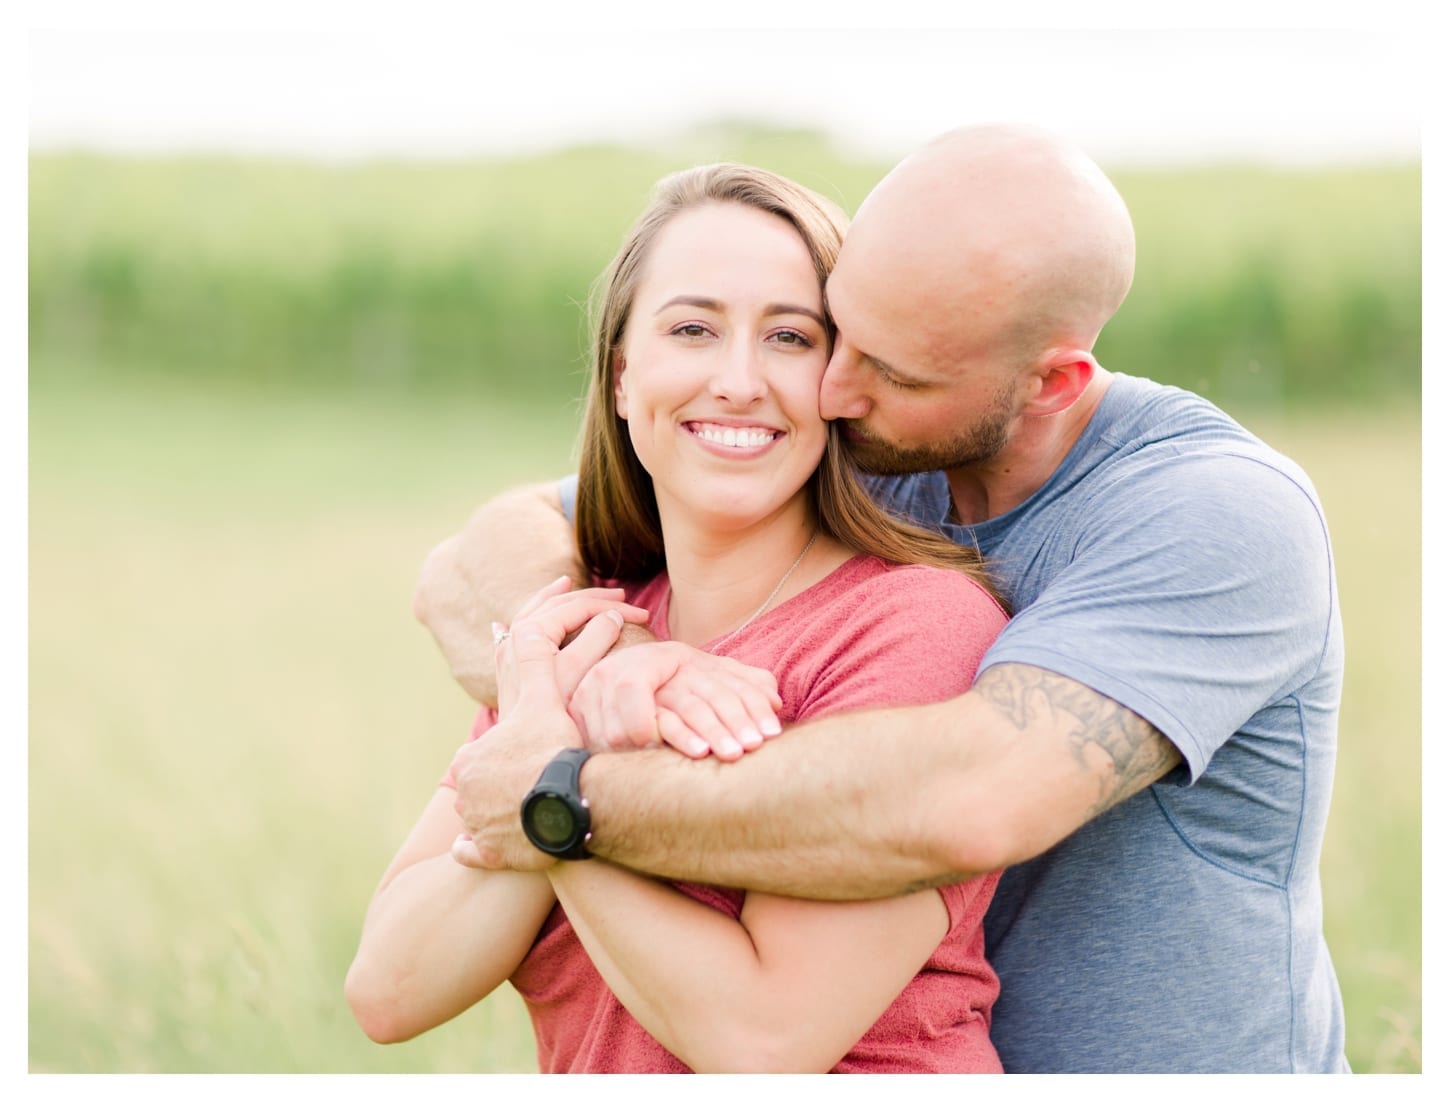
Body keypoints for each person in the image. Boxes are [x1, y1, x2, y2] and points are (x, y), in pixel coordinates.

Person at [419, 125, 1350, 1074]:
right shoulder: (873, 455)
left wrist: (565, 792)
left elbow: (972, 800)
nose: (828, 388)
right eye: (837, 331)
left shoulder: (1215, 514)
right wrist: (607, 662)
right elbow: (473, 559)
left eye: (892, 370)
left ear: (1051, 383)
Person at [346, 164, 1013, 1072]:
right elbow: (389, 988)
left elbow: (763, 1039)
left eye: (790, 336)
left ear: (841, 379)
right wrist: (576, 713)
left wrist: (559, 795)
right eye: (693, 329)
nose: (738, 381)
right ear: (624, 379)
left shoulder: (917, 628)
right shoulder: (587, 624)